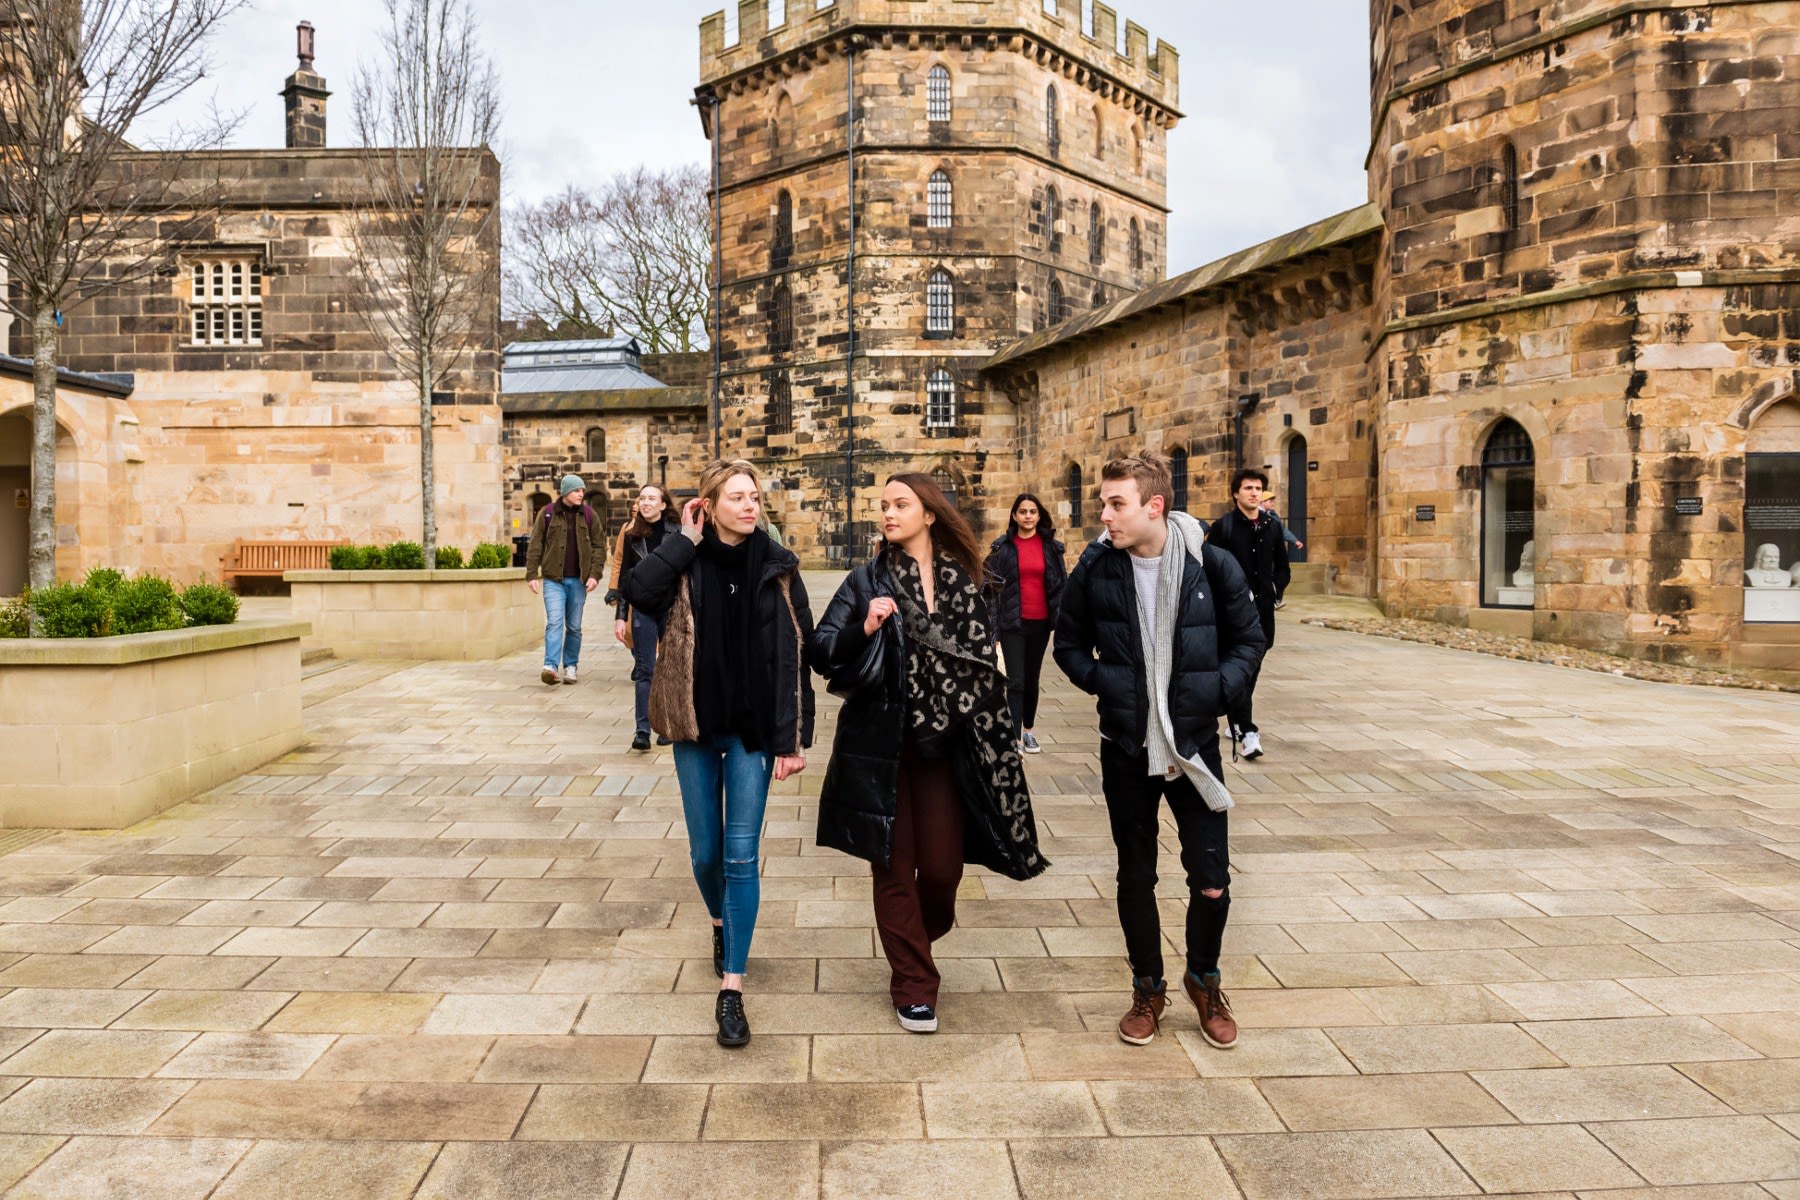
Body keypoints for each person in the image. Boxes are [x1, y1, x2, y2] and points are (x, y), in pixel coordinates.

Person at [811, 473, 1047, 1034]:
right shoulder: (866, 578)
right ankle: (914, 984)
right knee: (893, 869)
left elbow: (987, 660)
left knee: (941, 870)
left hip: (950, 746)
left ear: (930, 513)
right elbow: (821, 649)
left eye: (900, 505)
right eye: (884, 506)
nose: (888, 514)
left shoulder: (971, 580)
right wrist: (864, 628)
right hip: (882, 746)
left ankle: (913, 936)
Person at [1055, 450, 1265, 1051]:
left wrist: (1213, 693)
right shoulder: (1096, 569)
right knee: (1136, 873)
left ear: (1154, 506)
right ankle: (1147, 988)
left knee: (1212, 878)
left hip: (1193, 743)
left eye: (1116, 504)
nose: (1105, 516)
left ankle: (1204, 979)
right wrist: (1110, 684)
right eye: (1103, 502)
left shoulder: (1210, 563)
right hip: (1126, 744)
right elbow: (1067, 647)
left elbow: (1250, 638)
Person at [622, 459, 814, 1048]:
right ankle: (717, 921)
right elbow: (638, 590)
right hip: (694, 727)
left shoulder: (779, 566)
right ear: (709, 504)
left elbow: (798, 651)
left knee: (738, 856)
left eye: (754, 496)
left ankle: (732, 988)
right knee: (705, 853)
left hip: (752, 732)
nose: (750, 505)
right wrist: (684, 538)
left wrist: (794, 738)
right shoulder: (686, 560)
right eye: (737, 497)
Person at [1206, 469, 1288, 759]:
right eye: (1248, 488)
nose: (1254, 493)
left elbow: (1282, 565)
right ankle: (1247, 730)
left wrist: (1276, 590)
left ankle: (1235, 716)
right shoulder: (1223, 528)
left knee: (1252, 668)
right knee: (1241, 666)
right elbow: (1211, 568)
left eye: (1258, 488)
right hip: (1232, 613)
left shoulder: (1272, 526)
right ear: (1235, 494)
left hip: (1263, 612)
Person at [982, 493, 1068, 754]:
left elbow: (1061, 586)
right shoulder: (1002, 549)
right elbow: (991, 591)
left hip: (1040, 624)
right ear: (1014, 516)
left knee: (1032, 679)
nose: (1028, 516)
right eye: (1023, 511)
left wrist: (1062, 619)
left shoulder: (1051, 547)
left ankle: (1029, 731)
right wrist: (993, 629)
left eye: (1032, 511)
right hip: (1012, 623)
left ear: (1038, 515)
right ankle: (1015, 737)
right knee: (1016, 681)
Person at [606, 484, 679, 751]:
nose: (645, 502)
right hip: (643, 609)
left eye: (651, 498)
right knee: (645, 670)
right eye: (642, 498)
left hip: (670, 609)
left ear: (663, 504)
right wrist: (620, 615)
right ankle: (642, 730)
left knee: (669, 669)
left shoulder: (677, 532)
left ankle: (668, 725)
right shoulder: (631, 535)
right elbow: (626, 576)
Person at [524, 475, 607, 685]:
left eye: (582, 490)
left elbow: (599, 547)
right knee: (554, 623)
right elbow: (536, 544)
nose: (581, 494)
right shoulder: (548, 513)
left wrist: (595, 575)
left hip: (579, 581)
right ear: (565, 492)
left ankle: (570, 666)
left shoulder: (589, 515)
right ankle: (550, 666)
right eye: (576, 490)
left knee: (574, 626)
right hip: (554, 579)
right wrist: (532, 574)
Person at [1258, 498, 1304, 610]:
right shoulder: (1255, 514)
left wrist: (1294, 540)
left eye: (1273, 501)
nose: (1273, 503)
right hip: (1261, 552)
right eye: (1270, 501)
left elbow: (1282, 531)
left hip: (1274, 552)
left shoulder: (1273, 515)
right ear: (1262, 502)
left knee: (1281, 576)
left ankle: (1276, 599)